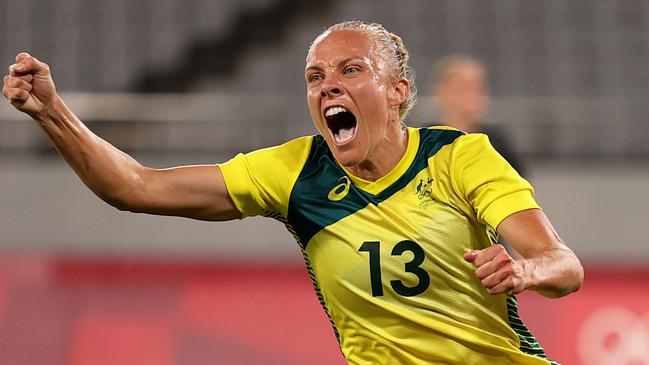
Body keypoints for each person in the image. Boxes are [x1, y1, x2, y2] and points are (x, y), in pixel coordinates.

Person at [3, 20, 582, 365]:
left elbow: (563, 265)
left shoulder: (459, 156)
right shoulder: (294, 172)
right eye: (315, 76)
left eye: (351, 70)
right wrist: (52, 112)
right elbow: (135, 186)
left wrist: (527, 271)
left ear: (399, 90)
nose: (329, 83)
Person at [430, 54, 526, 176]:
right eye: (463, 88)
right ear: (441, 92)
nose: (473, 96)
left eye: (479, 89)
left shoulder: (498, 146)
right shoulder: (423, 143)